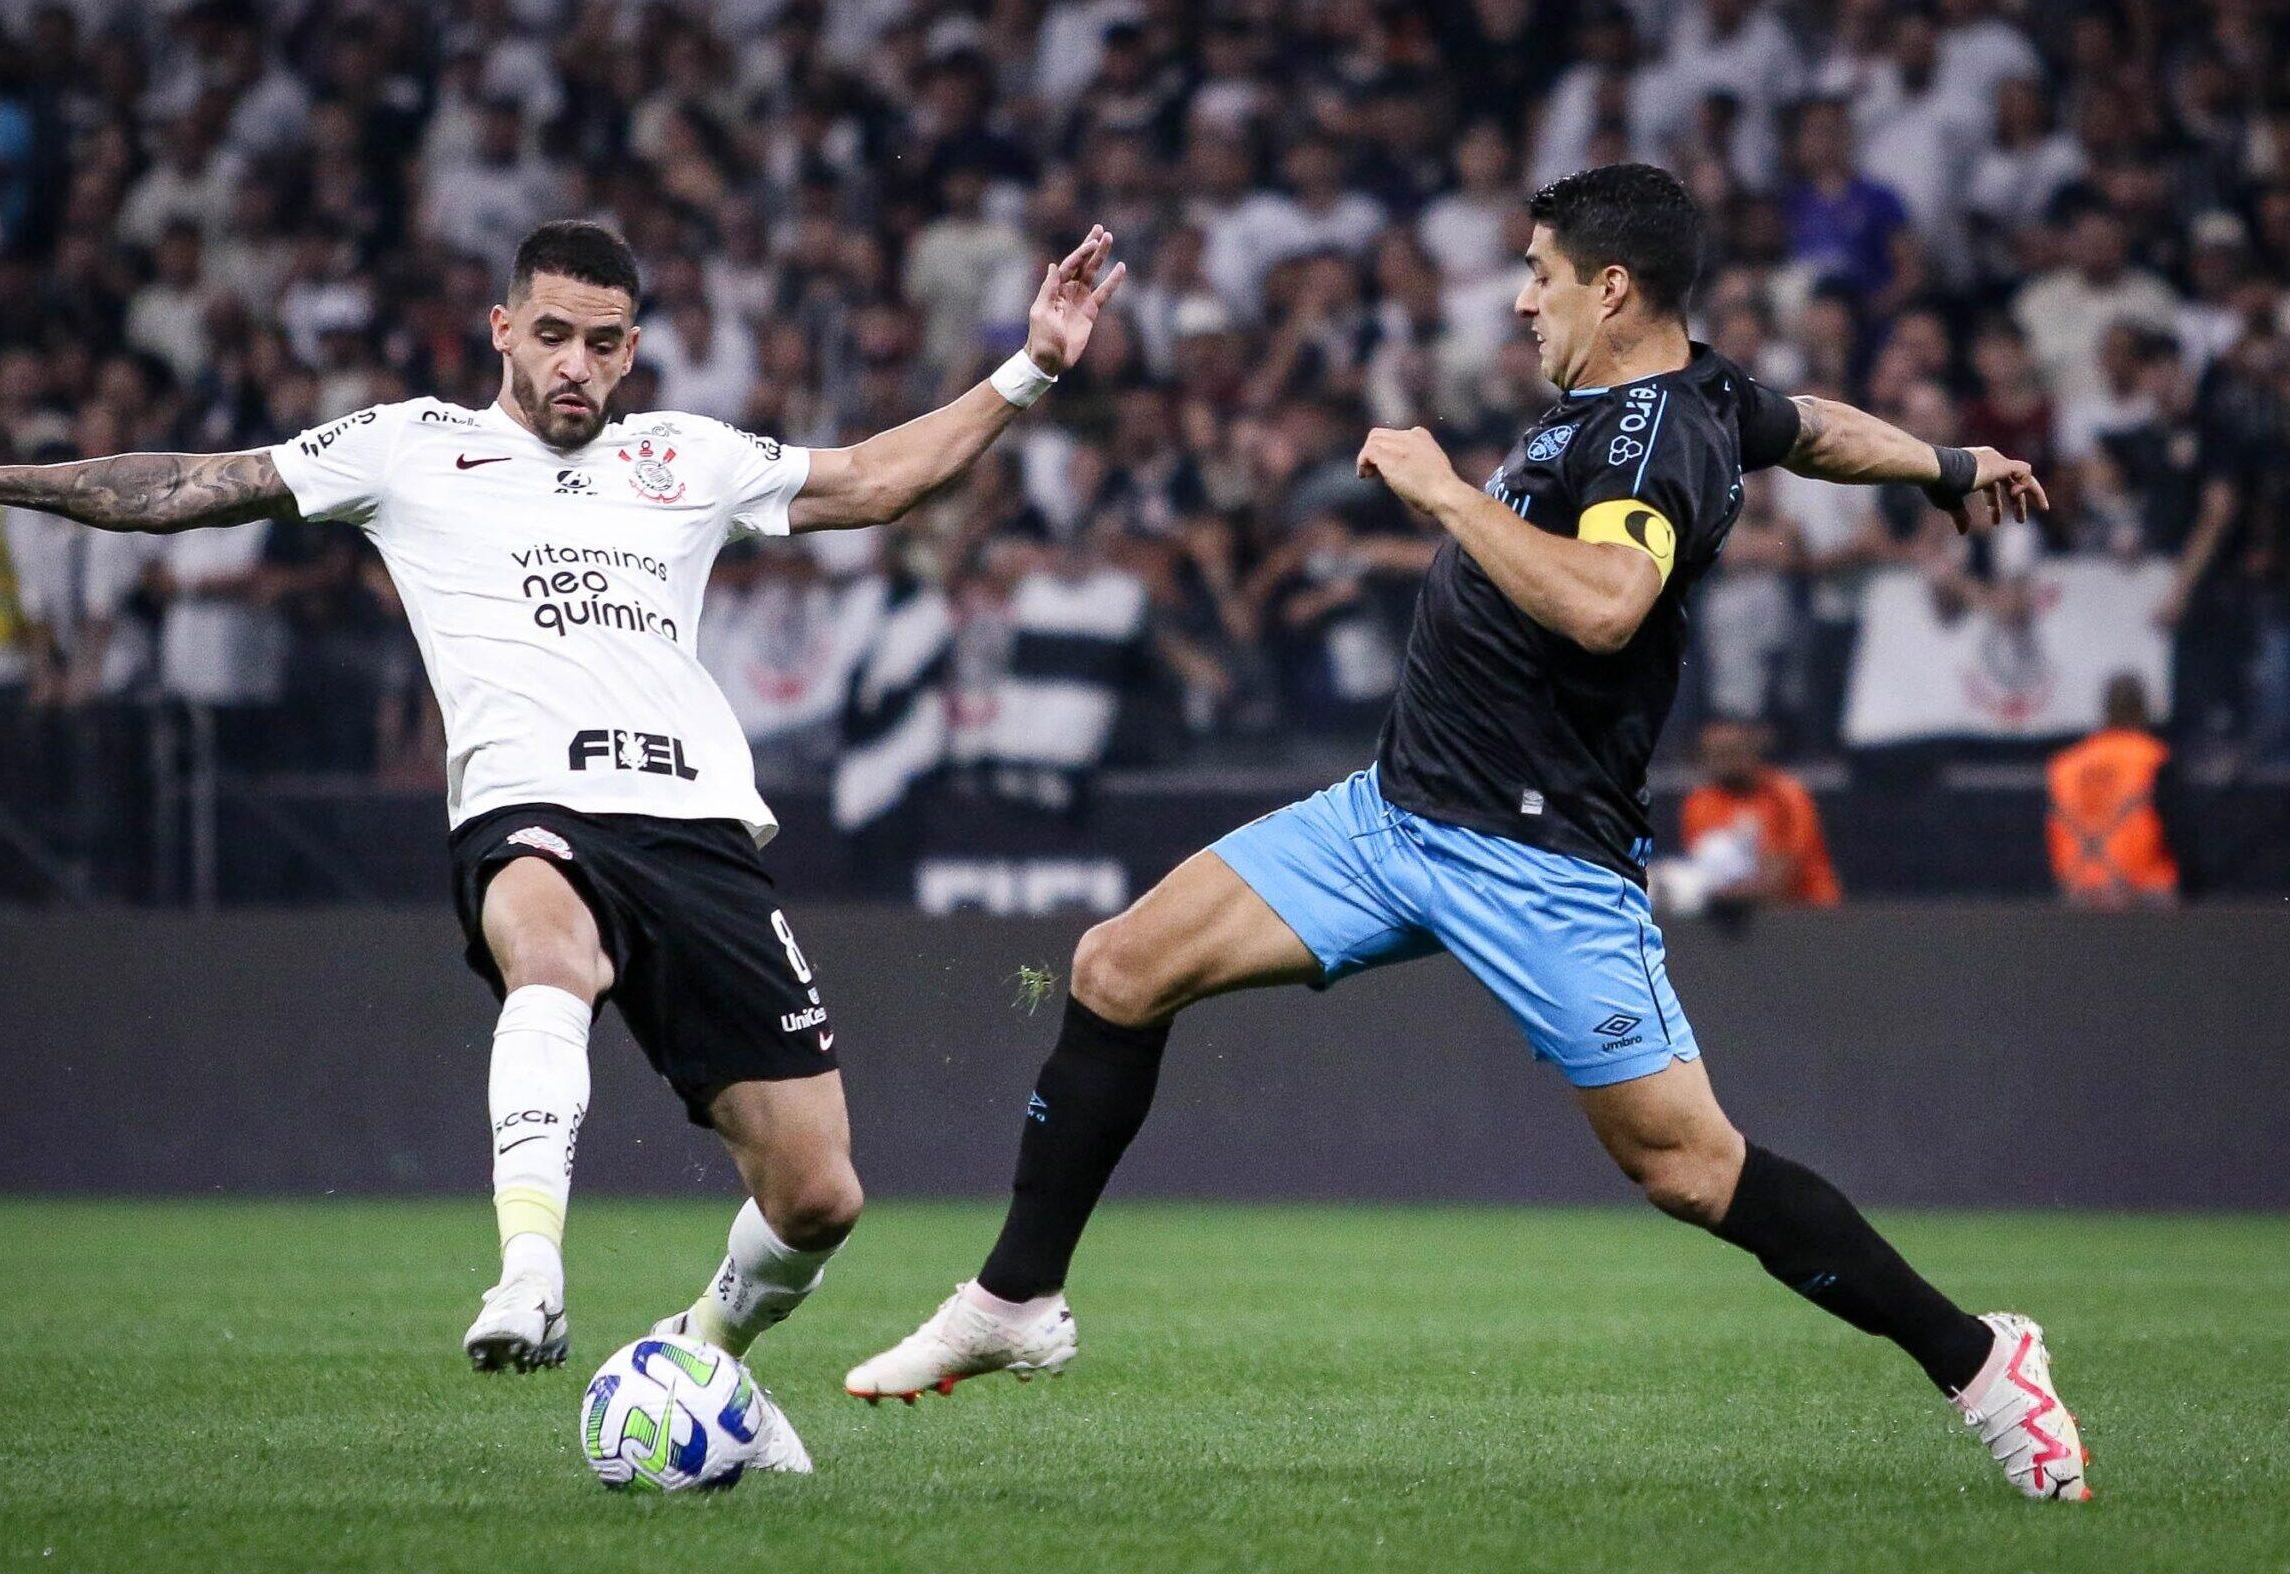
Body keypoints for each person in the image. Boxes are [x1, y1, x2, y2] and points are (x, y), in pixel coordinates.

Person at [846, 165, 2091, 1504]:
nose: (1519, 299)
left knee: (1687, 1166)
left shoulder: (1650, 439)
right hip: (1392, 813)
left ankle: (1980, 1358)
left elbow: (1611, 603)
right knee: (1115, 964)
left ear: (1612, 288)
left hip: (1539, 860)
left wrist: (1442, 494)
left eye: (1541, 275)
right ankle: (1015, 1294)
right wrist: (1946, 461)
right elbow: (1812, 428)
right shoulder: (1707, 395)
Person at [0, 218, 1129, 1470]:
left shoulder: (684, 459)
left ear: (634, 353)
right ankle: (529, 1273)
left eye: (606, 342)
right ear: (504, 329)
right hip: (531, 805)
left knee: (817, 1198)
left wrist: (1034, 368)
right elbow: (191, 486)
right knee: (548, 954)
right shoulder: (411, 446)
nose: (577, 364)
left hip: (699, 835)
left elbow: (877, 479)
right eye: (555, 335)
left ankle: (696, 1357)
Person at [1674, 718, 1842, 909]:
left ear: (1752, 751)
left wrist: (1731, 893)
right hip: (1734, 919)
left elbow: (1787, 870)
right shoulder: (1699, 804)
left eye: (1732, 752)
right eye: (1715, 755)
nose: (1724, 762)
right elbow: (1708, 867)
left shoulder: (1787, 795)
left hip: (1807, 908)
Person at [2045, 673, 2180, 910]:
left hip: (2079, 890)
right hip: (2143, 892)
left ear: (2105, 710)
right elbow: (2180, 830)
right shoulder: (2154, 757)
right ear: (2143, 710)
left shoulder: (2065, 764)